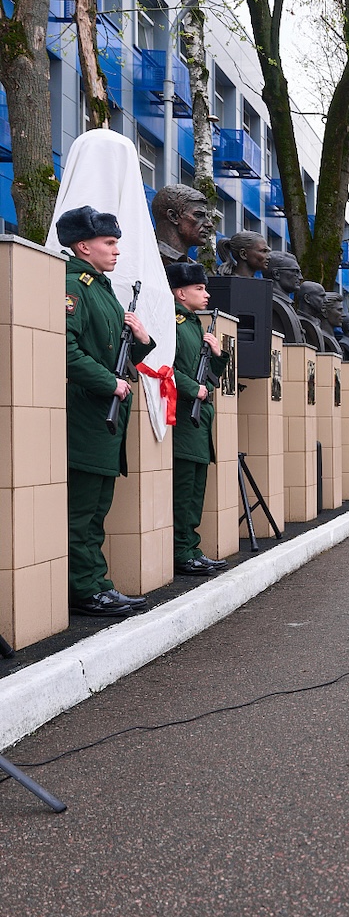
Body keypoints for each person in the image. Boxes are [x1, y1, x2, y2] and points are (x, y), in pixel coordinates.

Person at [59, 205, 156, 615]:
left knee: (97, 510)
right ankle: (85, 590)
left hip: (104, 419)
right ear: (84, 246)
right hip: (86, 414)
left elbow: (117, 356)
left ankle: (97, 582)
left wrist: (142, 340)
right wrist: (109, 382)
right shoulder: (74, 286)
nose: (117, 250)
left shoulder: (103, 289)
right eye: (109, 242)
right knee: (82, 513)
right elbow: (66, 351)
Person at [169, 262, 230, 577]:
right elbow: (164, 367)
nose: (206, 294)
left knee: (195, 492)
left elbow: (210, 377)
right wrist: (193, 389)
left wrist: (218, 355)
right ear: (181, 293)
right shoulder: (173, 323)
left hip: (199, 422)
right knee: (183, 493)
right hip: (183, 419)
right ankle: (181, 552)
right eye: (199, 288)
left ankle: (191, 548)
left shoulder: (194, 325)